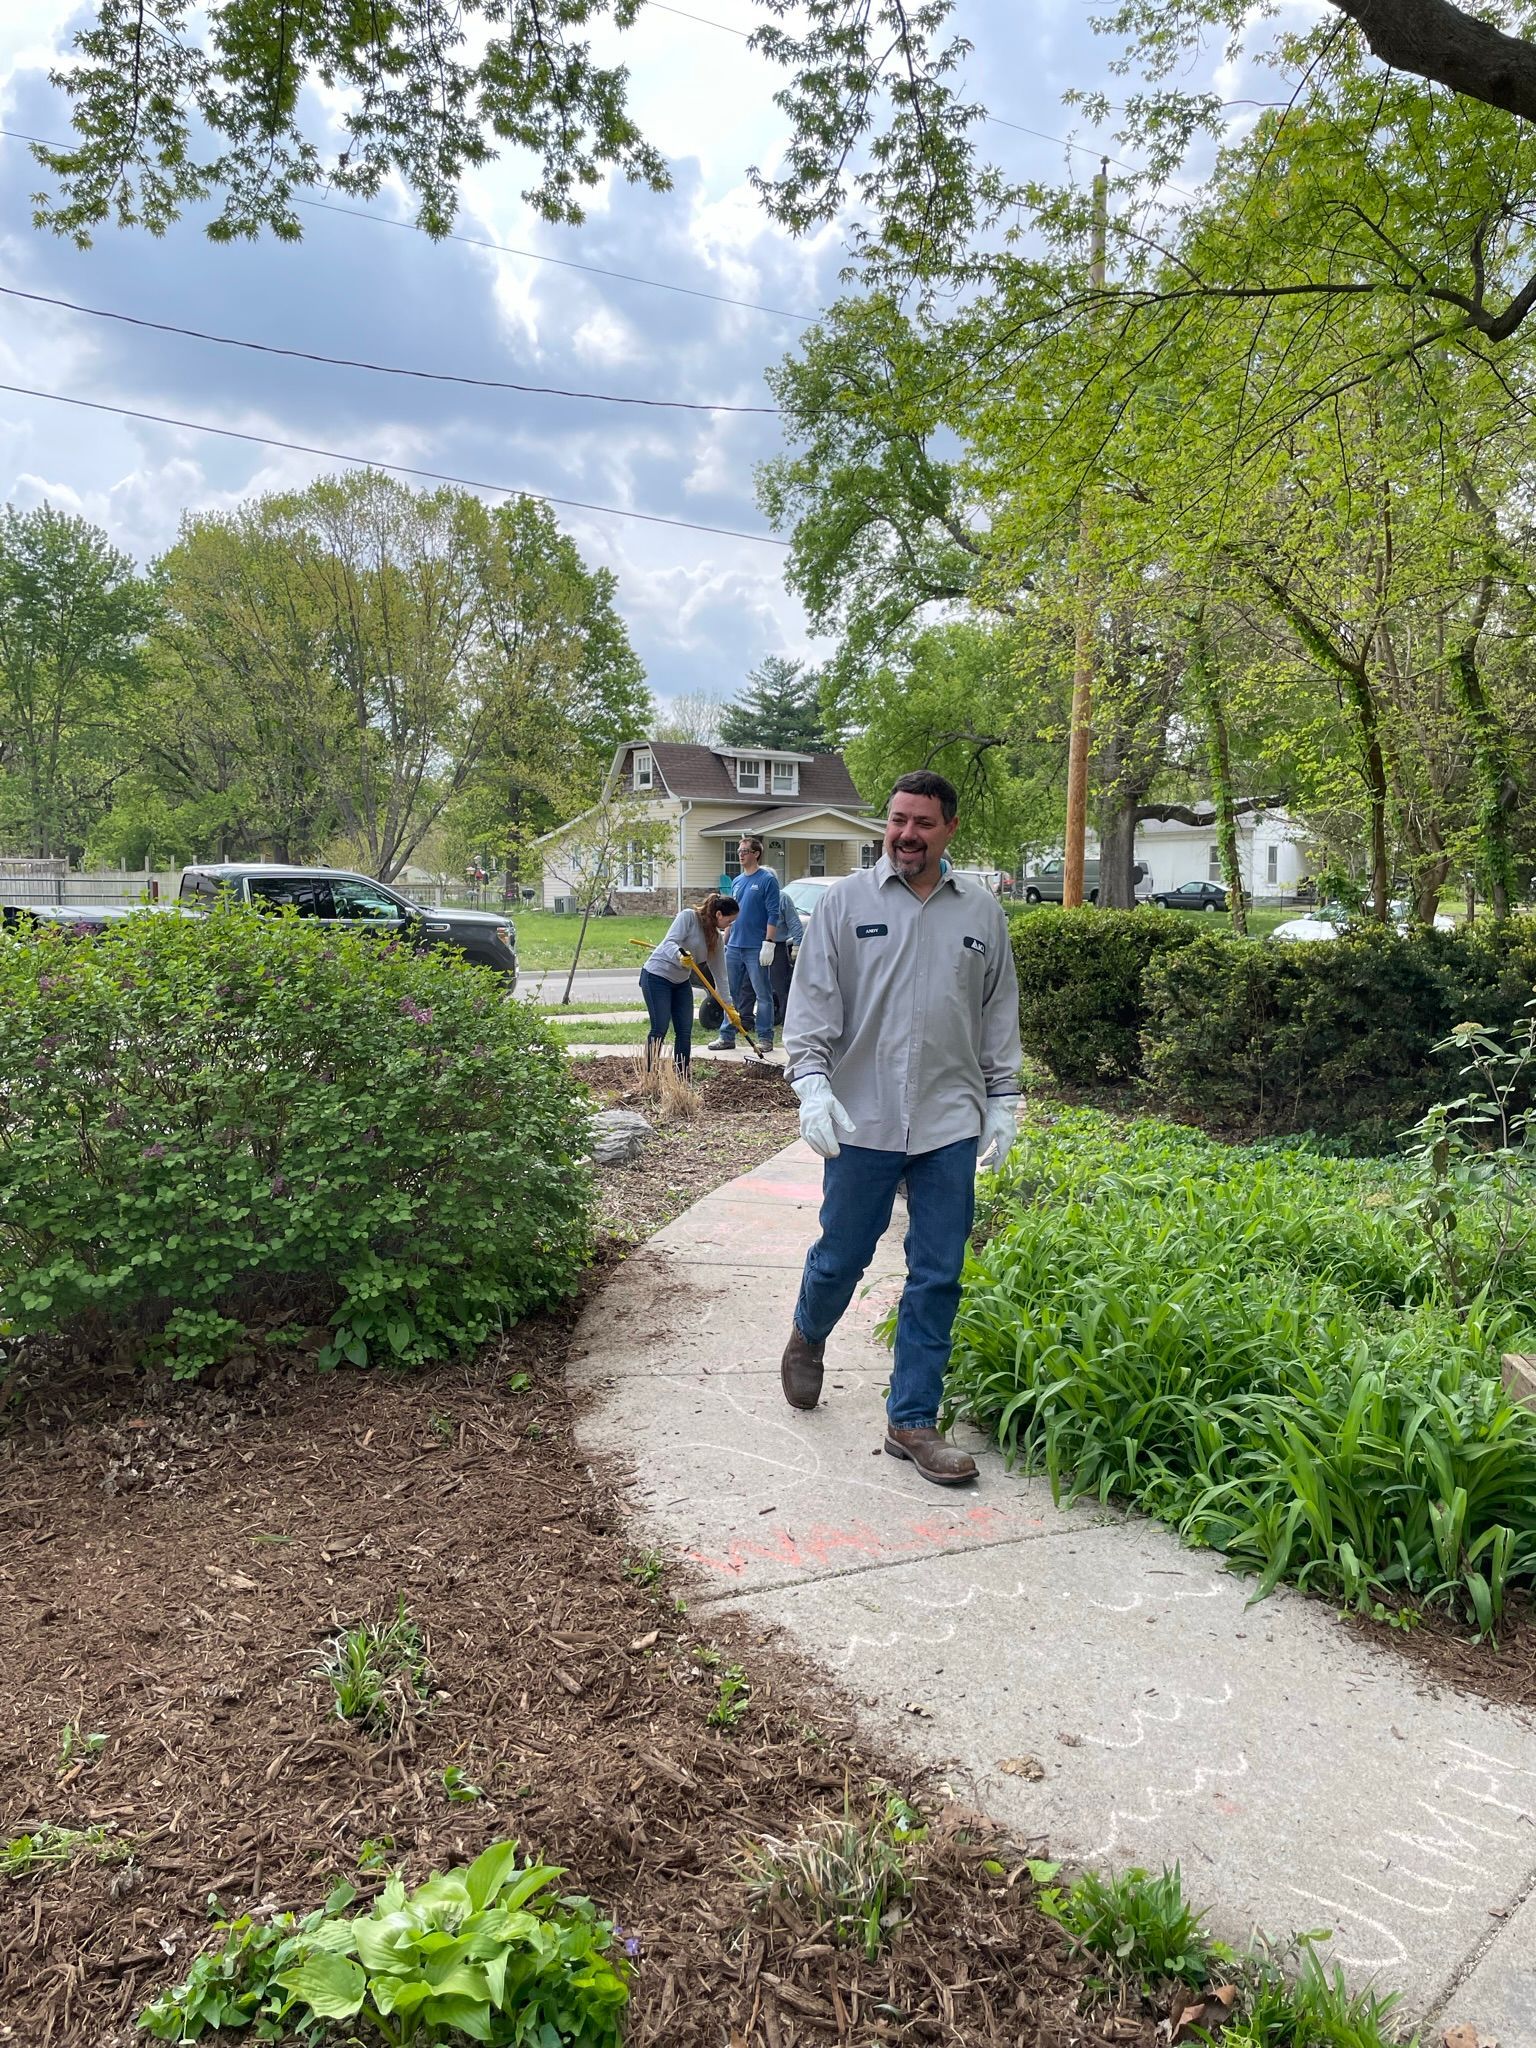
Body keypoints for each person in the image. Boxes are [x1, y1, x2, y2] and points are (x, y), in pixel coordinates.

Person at [779, 771, 1022, 1486]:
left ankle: (912, 1419)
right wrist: (811, 1082)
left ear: (949, 829)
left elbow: (997, 1009)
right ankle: (808, 1332)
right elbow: (814, 1000)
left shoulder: (982, 913)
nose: (906, 833)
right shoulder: (845, 905)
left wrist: (1004, 1097)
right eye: (896, 820)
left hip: (949, 1119)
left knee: (938, 1273)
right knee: (842, 1256)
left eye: (922, 822)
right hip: (863, 1117)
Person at [638, 891, 739, 1075]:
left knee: (684, 1031)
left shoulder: (716, 939)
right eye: (729, 920)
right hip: (656, 977)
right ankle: (648, 1075)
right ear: (719, 915)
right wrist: (679, 955)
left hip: (680, 982)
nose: (730, 925)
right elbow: (669, 942)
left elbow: (721, 977)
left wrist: (729, 1008)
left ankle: (682, 1076)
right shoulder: (688, 917)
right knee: (660, 1027)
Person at [707, 834, 780, 1055]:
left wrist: (769, 942)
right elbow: (730, 916)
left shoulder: (767, 880)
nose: (740, 855)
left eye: (744, 851)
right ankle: (727, 1035)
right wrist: (723, 941)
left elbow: (773, 913)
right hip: (735, 947)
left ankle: (765, 1037)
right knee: (730, 993)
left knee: (762, 993)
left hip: (756, 947)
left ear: (756, 853)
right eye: (738, 851)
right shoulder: (737, 881)